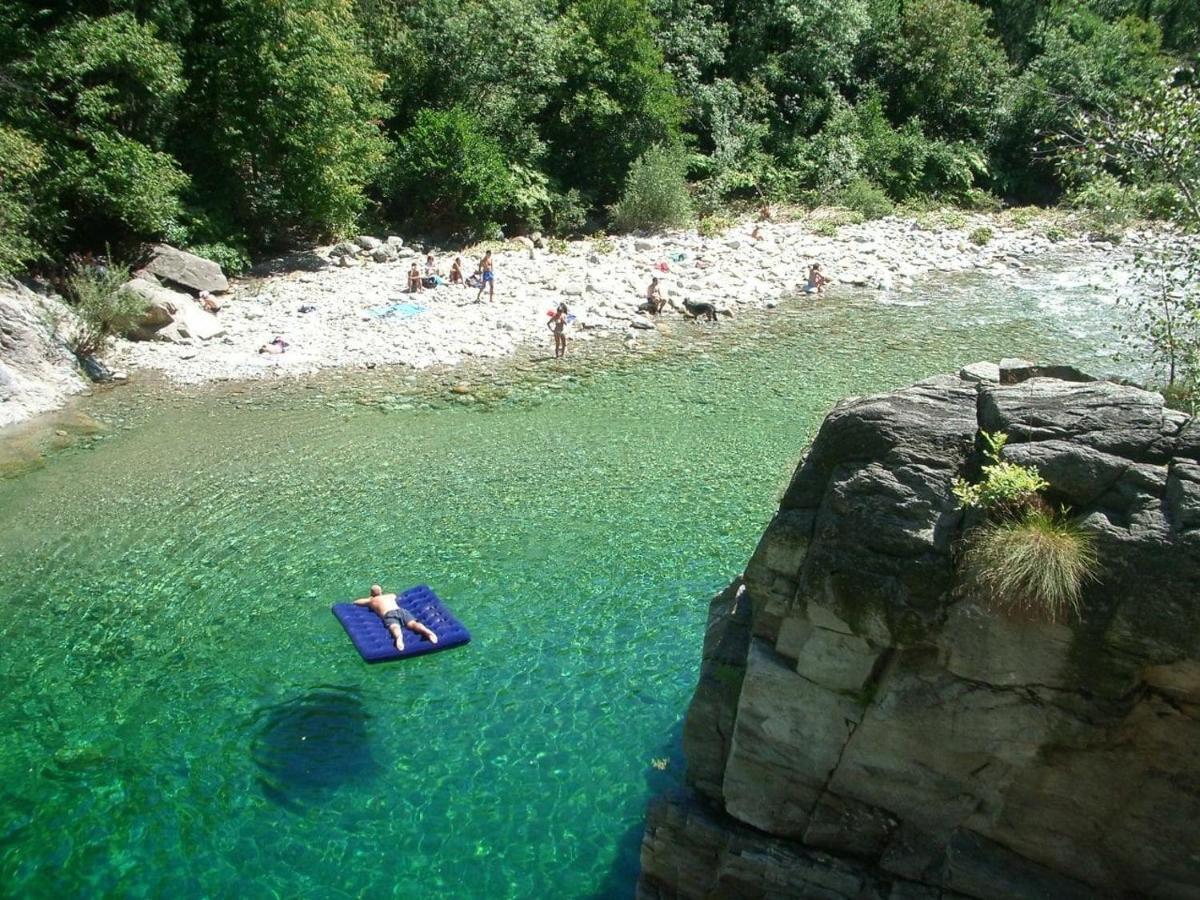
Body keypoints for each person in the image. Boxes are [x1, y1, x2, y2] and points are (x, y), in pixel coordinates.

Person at [353, 584, 439, 652]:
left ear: (371, 593)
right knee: (413, 624)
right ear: (381, 591)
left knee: (394, 626)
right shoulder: (390, 595)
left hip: (389, 613)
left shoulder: (371, 600)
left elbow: (356, 602)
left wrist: (370, 598)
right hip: (401, 610)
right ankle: (428, 632)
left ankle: (399, 638)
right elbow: (395, 595)